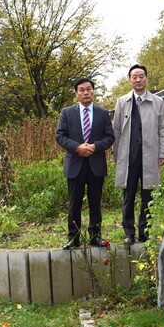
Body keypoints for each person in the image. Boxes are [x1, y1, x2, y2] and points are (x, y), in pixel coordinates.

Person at [56, 78, 115, 250]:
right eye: (82, 90)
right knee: (74, 203)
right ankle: (73, 237)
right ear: (76, 93)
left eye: (89, 89)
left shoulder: (103, 113)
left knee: (95, 202)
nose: (86, 93)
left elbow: (110, 137)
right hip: (75, 163)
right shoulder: (67, 113)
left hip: (96, 164)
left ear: (93, 91)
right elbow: (60, 136)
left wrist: (96, 146)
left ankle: (95, 236)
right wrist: (77, 147)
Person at [113, 64, 164, 245]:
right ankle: (129, 232)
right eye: (134, 77)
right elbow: (116, 130)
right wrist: (117, 155)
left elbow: (163, 129)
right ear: (130, 80)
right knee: (128, 196)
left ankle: (144, 232)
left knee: (148, 195)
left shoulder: (157, 102)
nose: (138, 80)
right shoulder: (122, 102)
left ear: (146, 79)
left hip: (150, 155)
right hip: (129, 156)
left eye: (141, 76)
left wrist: (163, 152)